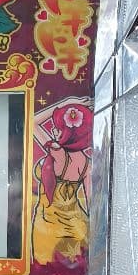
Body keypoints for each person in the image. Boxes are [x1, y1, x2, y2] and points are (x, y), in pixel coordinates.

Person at [32, 102, 92, 265]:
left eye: (58, 128)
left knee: (46, 271)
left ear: (69, 132)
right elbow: (91, 203)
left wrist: (66, 102)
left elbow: (32, 122)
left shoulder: (58, 152)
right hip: (78, 226)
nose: (53, 130)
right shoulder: (87, 164)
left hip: (48, 227)